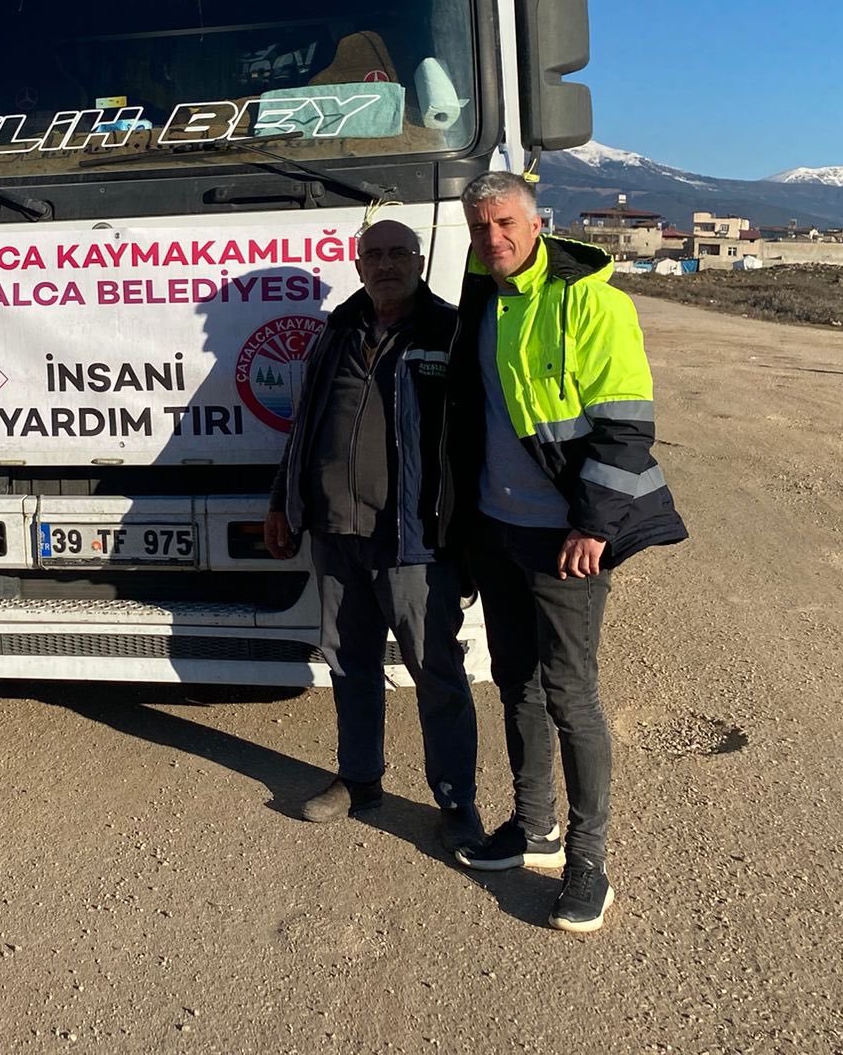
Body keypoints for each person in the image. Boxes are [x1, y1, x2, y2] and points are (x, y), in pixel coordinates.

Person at [448, 172, 687, 932]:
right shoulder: (479, 302)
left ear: (537, 220)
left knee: (570, 693)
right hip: (495, 528)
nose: (495, 239)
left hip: (565, 537)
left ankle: (590, 862)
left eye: (506, 224)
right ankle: (534, 826)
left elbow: (626, 425)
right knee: (515, 681)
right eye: (481, 227)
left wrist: (592, 524)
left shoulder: (592, 301)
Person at [265, 218, 481, 848]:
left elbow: (472, 442)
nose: (386, 264)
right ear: (358, 265)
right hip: (336, 534)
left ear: (419, 261)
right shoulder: (337, 329)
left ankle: (455, 799)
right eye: (374, 255)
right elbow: (305, 422)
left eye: (398, 253)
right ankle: (359, 780)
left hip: (413, 541)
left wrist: (468, 535)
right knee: (349, 664)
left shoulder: (448, 331)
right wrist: (283, 501)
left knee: (435, 670)